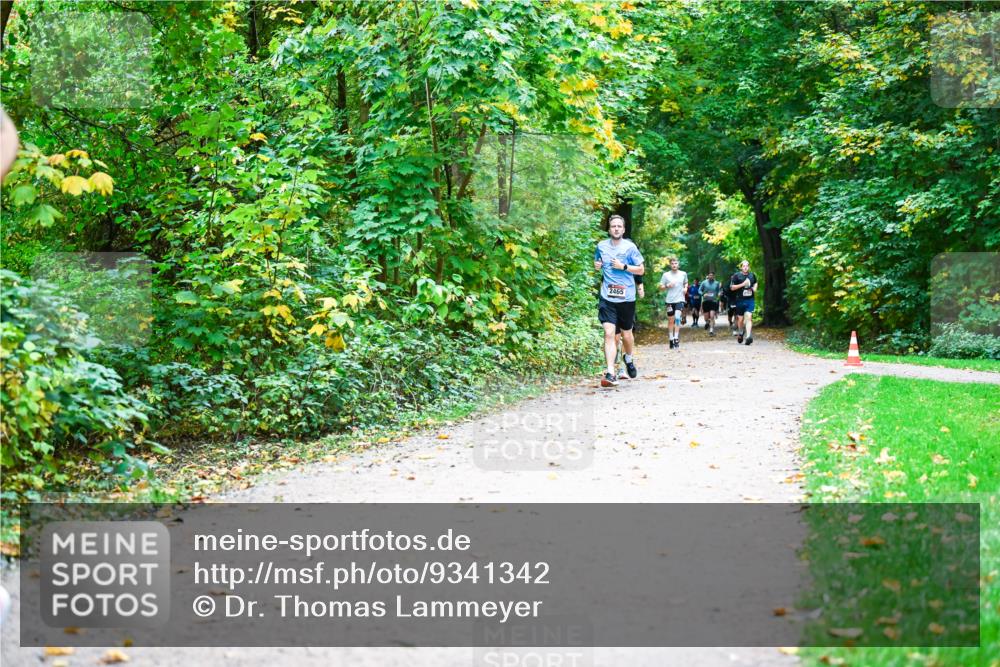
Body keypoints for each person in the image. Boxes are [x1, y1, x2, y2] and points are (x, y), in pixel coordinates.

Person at [594, 215, 644, 387]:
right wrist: (597, 265)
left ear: (623, 230)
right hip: (607, 297)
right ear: (609, 229)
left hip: (627, 298)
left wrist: (623, 266)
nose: (616, 229)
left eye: (619, 226)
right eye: (613, 226)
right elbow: (597, 261)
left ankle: (628, 358)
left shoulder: (630, 248)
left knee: (627, 334)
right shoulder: (601, 246)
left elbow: (641, 269)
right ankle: (610, 373)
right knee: (609, 334)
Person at [658, 257, 687, 349]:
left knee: (677, 318)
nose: (674, 265)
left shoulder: (683, 274)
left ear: (678, 264)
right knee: (671, 320)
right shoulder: (666, 275)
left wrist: (686, 288)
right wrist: (667, 285)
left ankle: (676, 338)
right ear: (670, 265)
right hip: (669, 300)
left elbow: (686, 283)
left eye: (676, 263)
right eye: (672, 263)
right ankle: (671, 339)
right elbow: (660, 287)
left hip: (680, 299)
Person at [729, 260, 758, 345]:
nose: (745, 267)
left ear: (749, 267)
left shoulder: (752, 275)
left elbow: (755, 283)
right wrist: (743, 284)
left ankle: (748, 337)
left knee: (749, 316)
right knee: (740, 320)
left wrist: (754, 288)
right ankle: (741, 332)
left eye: (747, 266)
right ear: (741, 267)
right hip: (739, 300)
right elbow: (732, 288)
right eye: (744, 266)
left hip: (750, 300)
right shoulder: (736, 276)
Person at [699, 271, 722, 336]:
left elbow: (719, 290)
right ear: (708, 276)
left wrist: (719, 293)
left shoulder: (717, 283)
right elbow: (699, 290)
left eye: (712, 275)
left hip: (713, 301)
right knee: (706, 318)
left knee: (712, 316)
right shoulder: (704, 283)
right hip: (706, 301)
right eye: (710, 275)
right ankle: (707, 322)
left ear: (714, 276)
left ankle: (711, 331)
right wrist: (703, 294)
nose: (711, 276)